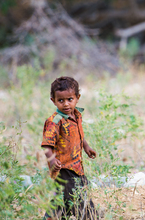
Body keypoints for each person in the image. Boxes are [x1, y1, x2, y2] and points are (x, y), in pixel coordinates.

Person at [42, 76, 98, 220]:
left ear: (77, 98)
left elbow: (78, 134)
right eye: (61, 100)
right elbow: (47, 145)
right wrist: (52, 160)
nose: (66, 104)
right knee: (76, 195)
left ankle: (54, 216)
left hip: (76, 165)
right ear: (53, 100)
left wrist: (86, 147)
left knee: (64, 197)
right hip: (63, 167)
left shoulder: (76, 115)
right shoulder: (55, 121)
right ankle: (89, 215)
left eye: (70, 99)